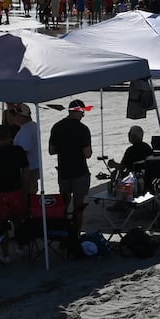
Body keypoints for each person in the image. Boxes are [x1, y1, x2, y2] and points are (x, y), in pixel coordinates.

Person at [48, 99, 94, 252]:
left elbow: (52, 150)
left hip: (63, 171)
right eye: (83, 112)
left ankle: (64, 236)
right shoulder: (82, 129)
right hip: (79, 171)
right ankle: (75, 236)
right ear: (78, 111)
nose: (83, 115)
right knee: (78, 207)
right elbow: (87, 154)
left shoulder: (57, 127)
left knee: (64, 206)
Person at [0, 122, 30, 259]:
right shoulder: (18, 151)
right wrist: (25, 187)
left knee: (2, 225)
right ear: (10, 138)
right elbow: (26, 170)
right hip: (16, 191)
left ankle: (6, 254)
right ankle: (20, 246)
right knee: (19, 220)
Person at [8, 103, 42, 200]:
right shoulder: (31, 126)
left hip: (28, 169)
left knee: (26, 196)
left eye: (15, 114)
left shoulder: (26, 130)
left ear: (22, 115)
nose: (13, 117)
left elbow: (23, 152)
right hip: (32, 167)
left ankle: (28, 214)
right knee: (31, 195)